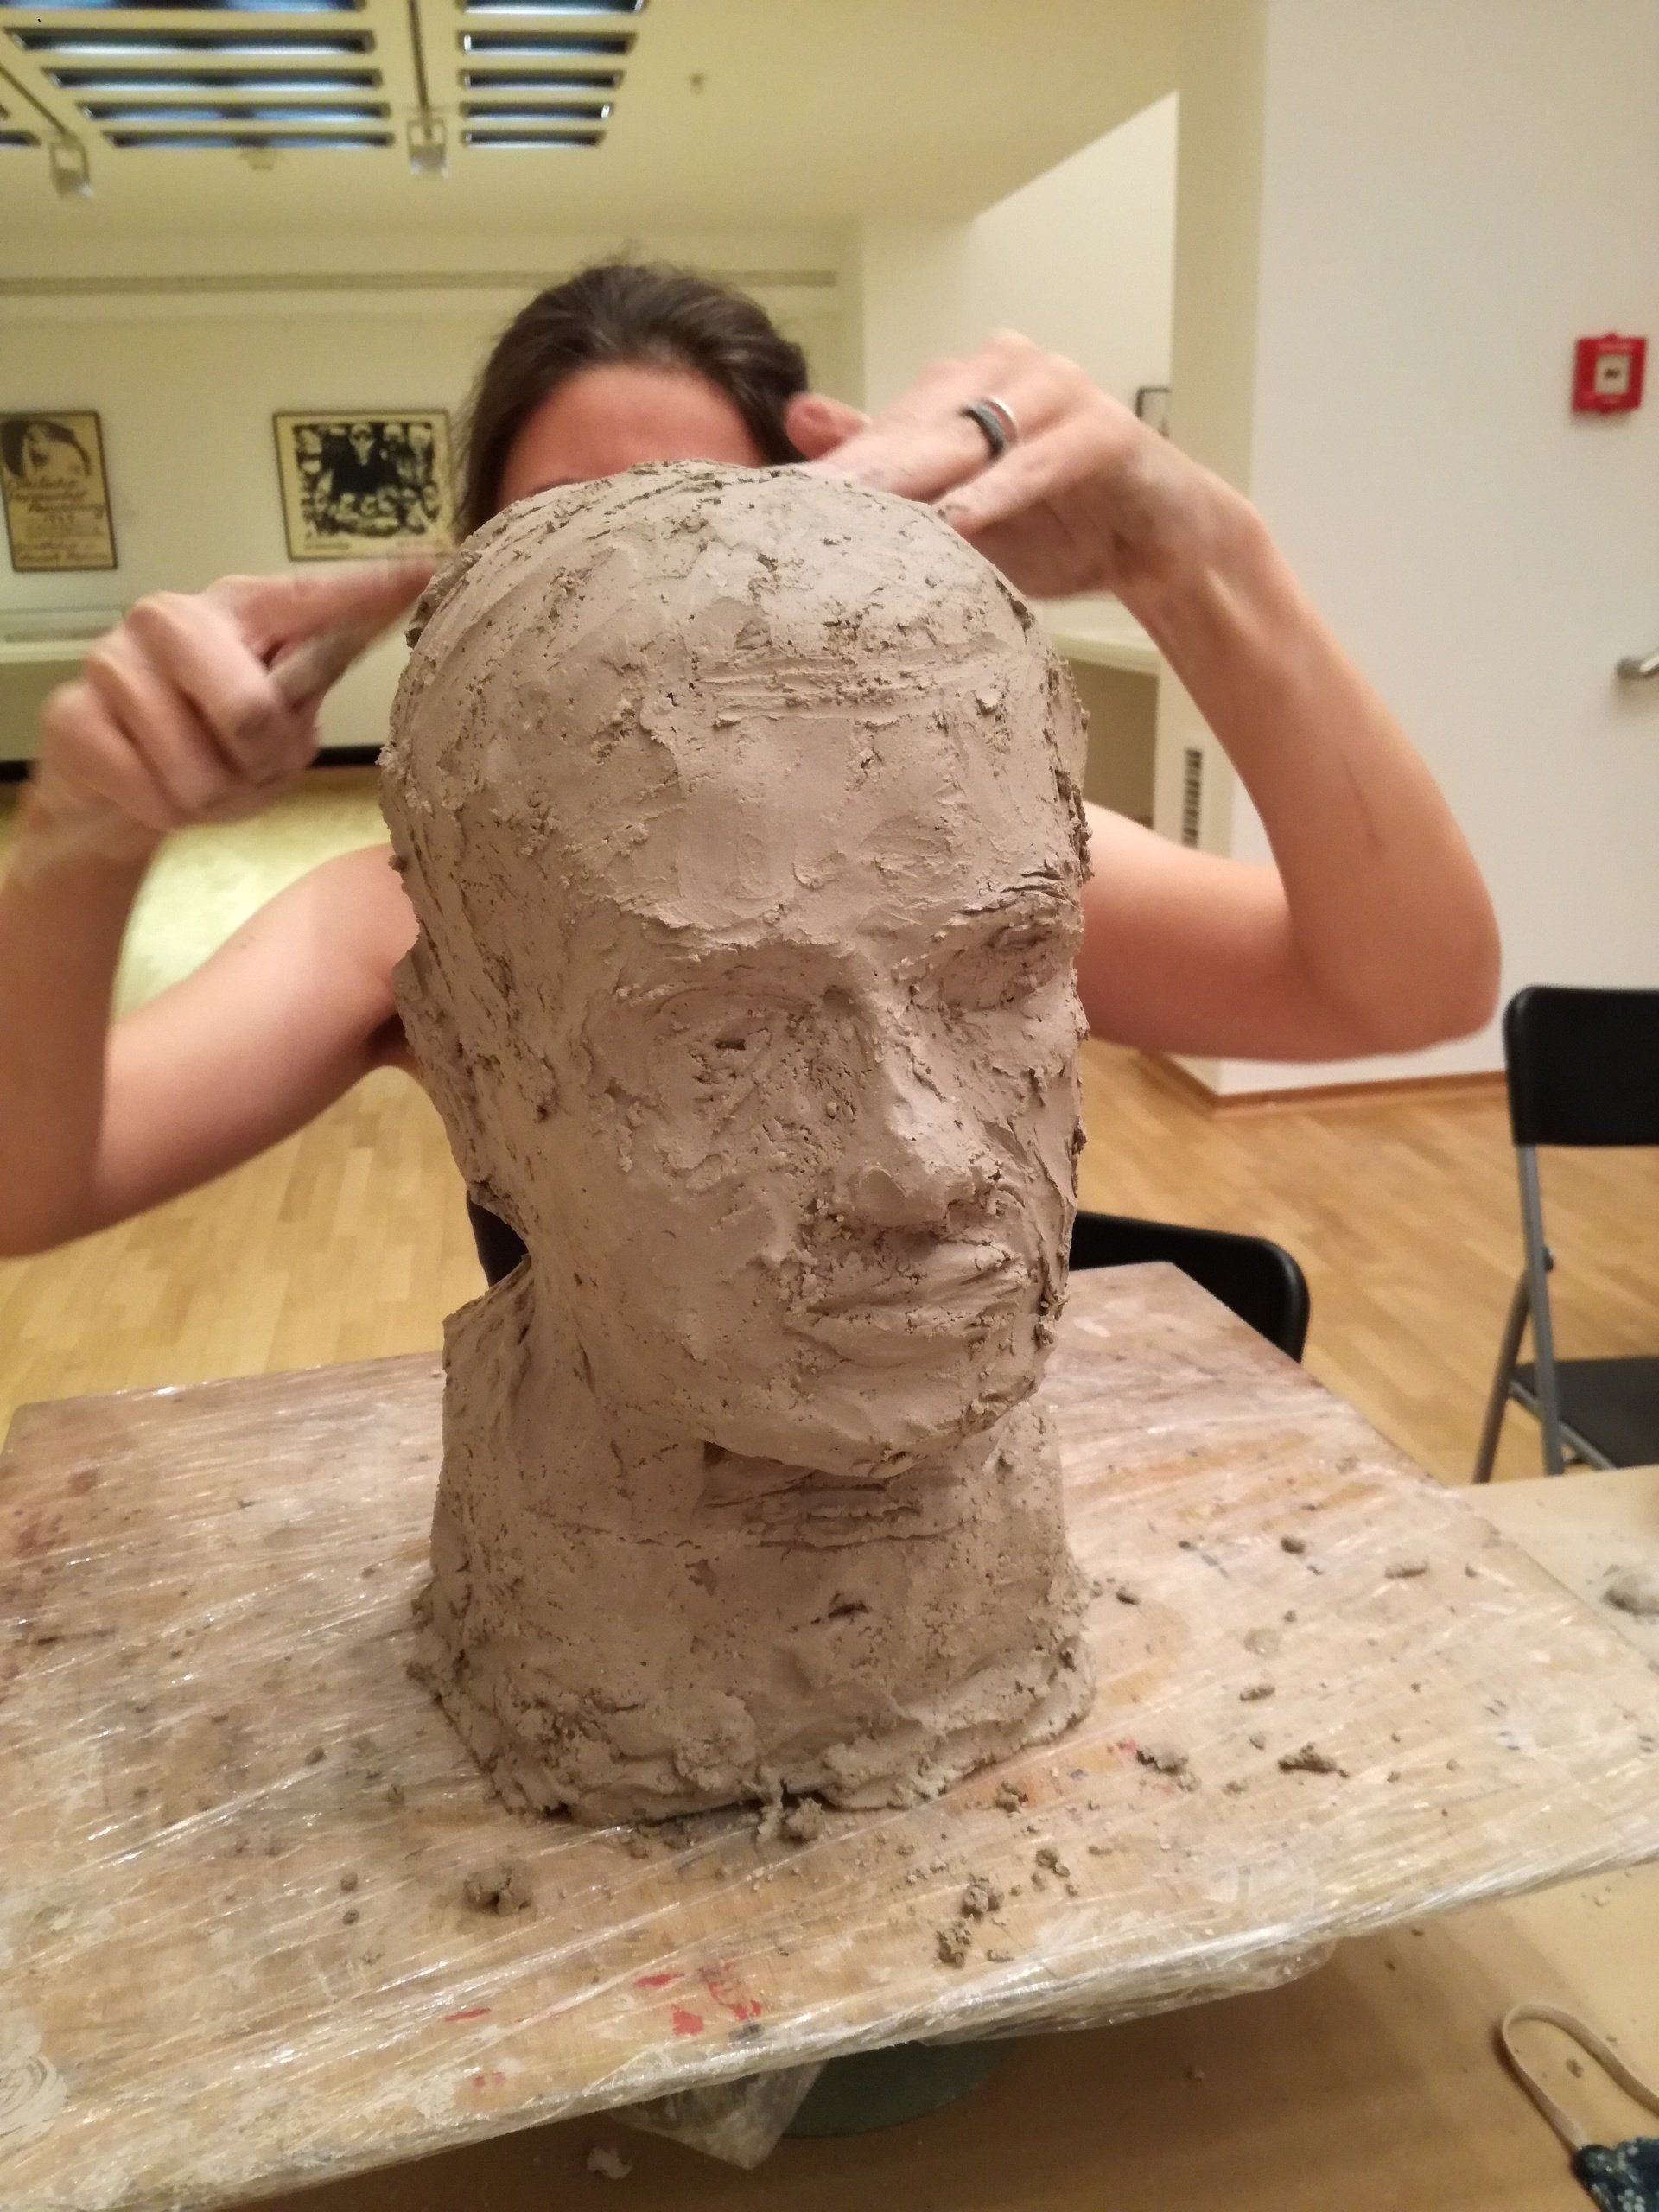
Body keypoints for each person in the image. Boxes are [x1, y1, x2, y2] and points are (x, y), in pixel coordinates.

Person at [0, 260, 1500, 1259]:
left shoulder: (940, 873)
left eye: (701, 520)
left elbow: (1405, 985)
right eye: (564, 537)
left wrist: (1198, 560)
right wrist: (86, 829)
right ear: (474, 590)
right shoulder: (418, 916)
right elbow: (28, 1184)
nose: (641, 589)